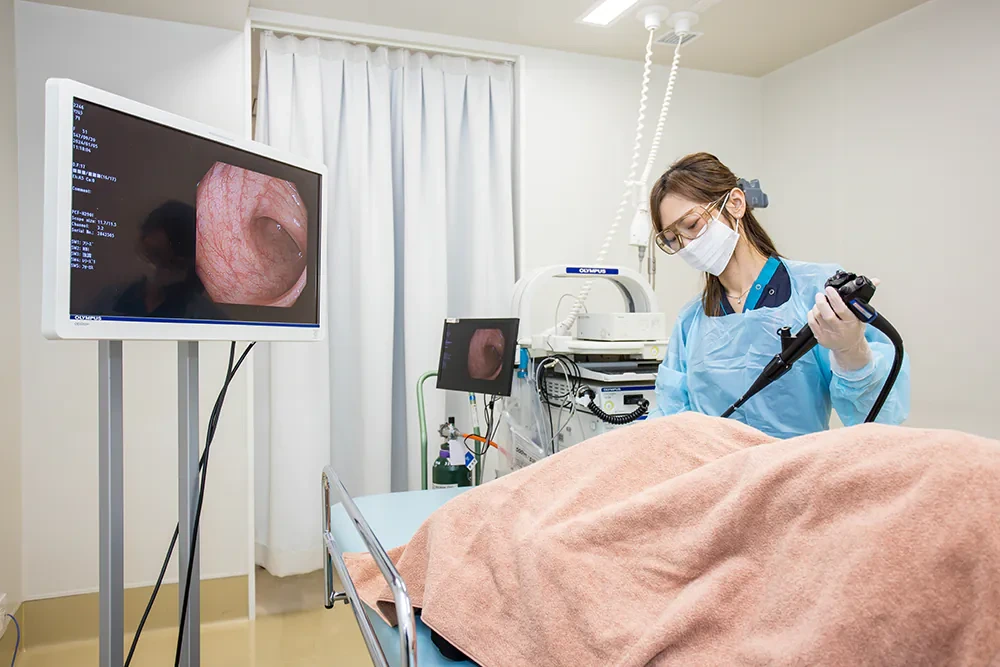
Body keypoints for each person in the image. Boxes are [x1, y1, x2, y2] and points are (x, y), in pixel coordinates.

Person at [647, 152, 909, 438]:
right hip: (717, 466)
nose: (687, 245)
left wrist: (851, 352)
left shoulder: (815, 292)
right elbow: (671, 421)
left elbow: (878, 418)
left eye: (691, 225)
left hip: (794, 465)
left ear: (735, 203)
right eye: (673, 239)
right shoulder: (691, 321)